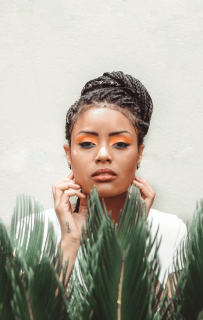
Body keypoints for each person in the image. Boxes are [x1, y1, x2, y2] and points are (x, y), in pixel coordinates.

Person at [48, 71, 187, 286]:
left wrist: (132, 240)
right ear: (69, 154)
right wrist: (70, 241)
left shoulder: (171, 230)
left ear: (139, 154)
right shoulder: (35, 227)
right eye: (87, 143)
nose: (103, 155)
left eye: (120, 144)